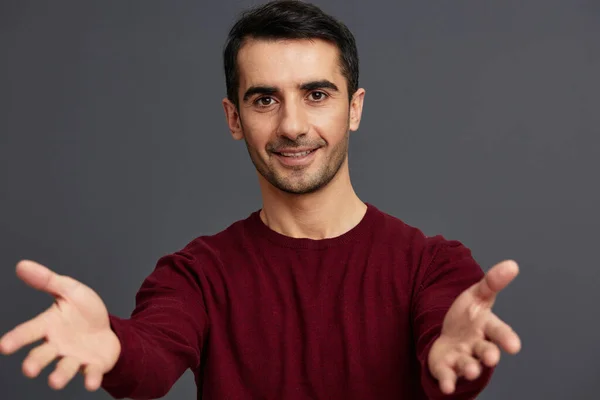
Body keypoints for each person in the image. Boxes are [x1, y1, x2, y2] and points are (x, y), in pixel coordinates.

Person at [0, 1, 522, 399]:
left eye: (316, 94)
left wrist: (451, 357)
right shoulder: (195, 275)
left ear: (354, 108)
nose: (292, 126)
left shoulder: (433, 267)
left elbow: (449, 356)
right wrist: (114, 347)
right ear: (234, 118)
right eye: (265, 99)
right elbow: (152, 354)